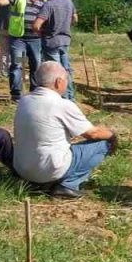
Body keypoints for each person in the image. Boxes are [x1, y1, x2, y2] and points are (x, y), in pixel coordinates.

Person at [12, 61, 116, 199]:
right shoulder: (62, 104)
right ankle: (68, 185)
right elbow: (92, 133)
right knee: (103, 144)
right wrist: (112, 135)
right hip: (48, 169)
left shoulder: (25, 100)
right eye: (66, 79)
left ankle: (39, 183)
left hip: (22, 168)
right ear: (58, 81)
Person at [0, 0, 45, 101]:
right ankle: (16, 94)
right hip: (19, 39)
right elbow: (4, 1)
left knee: (36, 65)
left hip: (36, 40)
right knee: (17, 65)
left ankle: (34, 92)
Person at [32, 0, 77, 100]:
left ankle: (63, 99)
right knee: (66, 69)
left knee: (56, 72)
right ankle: (70, 97)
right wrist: (65, 25)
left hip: (51, 42)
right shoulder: (68, 0)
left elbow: (36, 25)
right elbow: (75, 18)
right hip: (65, 40)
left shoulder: (48, 5)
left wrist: (41, 32)